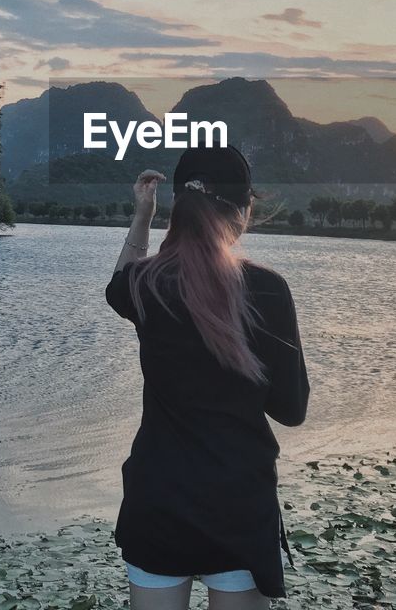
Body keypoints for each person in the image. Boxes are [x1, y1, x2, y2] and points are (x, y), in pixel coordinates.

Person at [105, 145, 311, 609]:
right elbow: (291, 410)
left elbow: (117, 286)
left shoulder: (146, 284)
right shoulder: (267, 290)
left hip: (158, 499)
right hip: (235, 504)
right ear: (243, 210)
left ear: (180, 209)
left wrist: (142, 216)